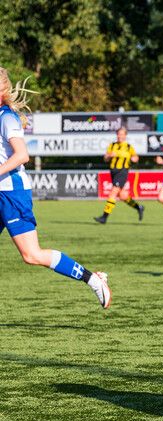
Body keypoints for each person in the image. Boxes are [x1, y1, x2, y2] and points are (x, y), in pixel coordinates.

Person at [0, 67, 111, 308]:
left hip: (12, 194)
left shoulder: (6, 117)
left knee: (32, 255)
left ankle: (92, 279)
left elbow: (22, 155)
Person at [94, 127, 144, 224]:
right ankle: (139, 207)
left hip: (122, 172)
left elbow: (136, 157)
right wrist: (108, 156)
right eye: (118, 134)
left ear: (125, 135)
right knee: (122, 195)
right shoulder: (112, 145)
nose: (120, 136)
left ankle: (104, 217)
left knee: (113, 192)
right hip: (113, 172)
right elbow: (105, 158)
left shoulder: (129, 147)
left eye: (122, 134)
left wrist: (134, 159)